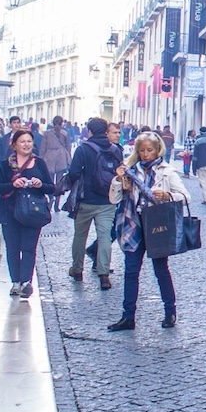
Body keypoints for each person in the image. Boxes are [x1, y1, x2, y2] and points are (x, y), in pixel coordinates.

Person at [106, 131, 191, 331]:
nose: (145, 154)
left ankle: (170, 312)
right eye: (142, 150)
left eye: (149, 150)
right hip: (133, 224)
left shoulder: (167, 171)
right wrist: (118, 181)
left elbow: (185, 197)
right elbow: (113, 199)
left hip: (157, 226)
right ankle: (128, 317)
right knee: (131, 271)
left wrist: (167, 195)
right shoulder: (129, 170)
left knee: (161, 270)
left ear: (157, 150)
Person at [0, 129, 54, 298]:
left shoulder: (40, 163)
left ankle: (26, 282)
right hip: (9, 211)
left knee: (28, 247)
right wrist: (13, 184)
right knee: (12, 248)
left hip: (33, 212)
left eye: (29, 141)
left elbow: (51, 188)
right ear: (14, 145)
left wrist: (40, 184)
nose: (26, 145)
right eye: (22, 142)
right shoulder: (5, 165)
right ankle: (15, 282)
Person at [67, 117, 123, 290]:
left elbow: (74, 173)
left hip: (86, 200)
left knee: (80, 236)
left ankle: (77, 270)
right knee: (105, 236)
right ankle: (104, 274)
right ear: (105, 131)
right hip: (107, 200)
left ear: (89, 131)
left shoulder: (83, 149)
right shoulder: (115, 149)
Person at [38, 115, 72, 208]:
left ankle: (51, 197)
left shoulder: (47, 133)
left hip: (49, 157)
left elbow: (43, 148)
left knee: (49, 181)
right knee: (59, 182)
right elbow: (68, 147)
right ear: (62, 123)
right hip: (61, 157)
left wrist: (40, 160)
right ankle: (57, 203)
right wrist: (69, 159)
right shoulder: (65, 133)